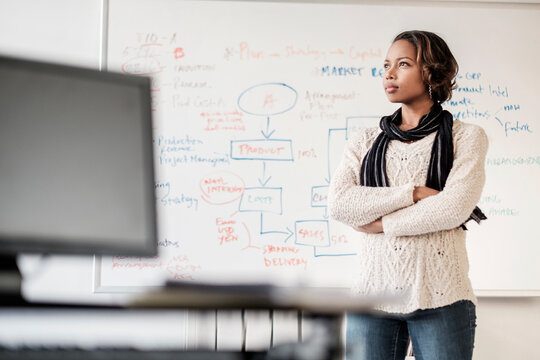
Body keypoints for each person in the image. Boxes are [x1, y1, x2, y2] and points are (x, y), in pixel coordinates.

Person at [327, 30, 488, 360]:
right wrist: (412, 193)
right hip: (371, 298)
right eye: (386, 65)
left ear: (430, 72)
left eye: (403, 64)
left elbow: (453, 209)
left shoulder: (467, 137)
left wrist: (380, 224)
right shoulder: (365, 140)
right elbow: (341, 203)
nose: (389, 74)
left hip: (442, 298)